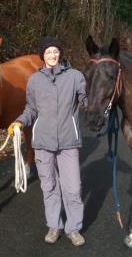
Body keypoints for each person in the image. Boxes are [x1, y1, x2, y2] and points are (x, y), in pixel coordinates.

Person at [8, 36, 87, 246]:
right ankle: (54, 226)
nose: (52, 55)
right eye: (48, 52)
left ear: (60, 53)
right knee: (49, 186)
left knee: (73, 187)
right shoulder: (34, 80)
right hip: (43, 143)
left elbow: (88, 100)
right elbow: (31, 109)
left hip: (69, 142)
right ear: (42, 55)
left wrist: (97, 102)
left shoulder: (75, 76)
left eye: (55, 51)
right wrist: (18, 122)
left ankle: (74, 228)